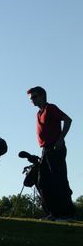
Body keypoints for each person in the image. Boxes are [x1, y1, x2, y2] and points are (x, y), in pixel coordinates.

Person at [27, 87, 76, 222]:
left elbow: (68, 119)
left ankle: (68, 214)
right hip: (45, 149)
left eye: (35, 97)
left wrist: (60, 140)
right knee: (43, 181)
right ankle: (54, 213)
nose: (32, 100)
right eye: (31, 98)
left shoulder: (50, 108)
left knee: (59, 180)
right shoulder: (39, 113)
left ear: (42, 96)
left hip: (55, 147)